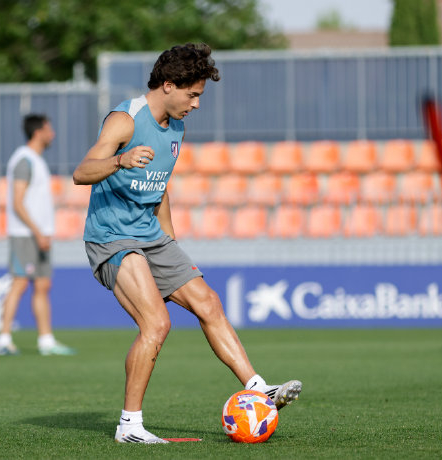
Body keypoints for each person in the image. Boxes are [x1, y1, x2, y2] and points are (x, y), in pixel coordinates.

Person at [73, 43, 302, 444]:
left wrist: (169, 243)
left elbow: (159, 187)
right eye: (192, 95)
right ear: (168, 85)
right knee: (156, 324)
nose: (196, 104)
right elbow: (81, 172)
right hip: (112, 237)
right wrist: (119, 160)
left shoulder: (176, 128)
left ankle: (257, 387)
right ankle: (129, 426)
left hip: (151, 236)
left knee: (208, 302)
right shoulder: (125, 120)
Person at [0, 114, 76, 357]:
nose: (53, 134)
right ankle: (4, 338)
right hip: (25, 234)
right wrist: (38, 231)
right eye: (49, 129)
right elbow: (18, 203)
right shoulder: (24, 160)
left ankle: (46, 340)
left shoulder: (36, 160)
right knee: (19, 283)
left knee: (42, 285)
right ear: (38, 132)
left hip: (40, 234)